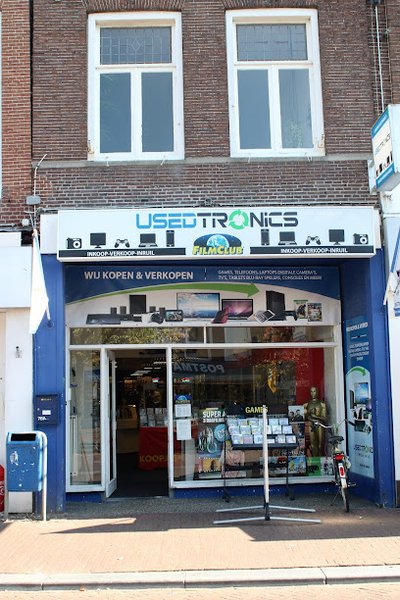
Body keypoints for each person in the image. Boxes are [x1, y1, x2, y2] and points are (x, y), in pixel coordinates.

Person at [304, 386, 327, 456]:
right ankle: (315, 460)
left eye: (314, 391)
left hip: (320, 425)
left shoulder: (322, 404)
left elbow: (325, 418)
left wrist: (315, 416)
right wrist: (309, 417)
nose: (313, 393)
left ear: (317, 392)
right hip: (311, 425)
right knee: (313, 445)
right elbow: (305, 417)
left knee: (320, 445)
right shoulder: (307, 404)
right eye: (311, 391)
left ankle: (321, 460)